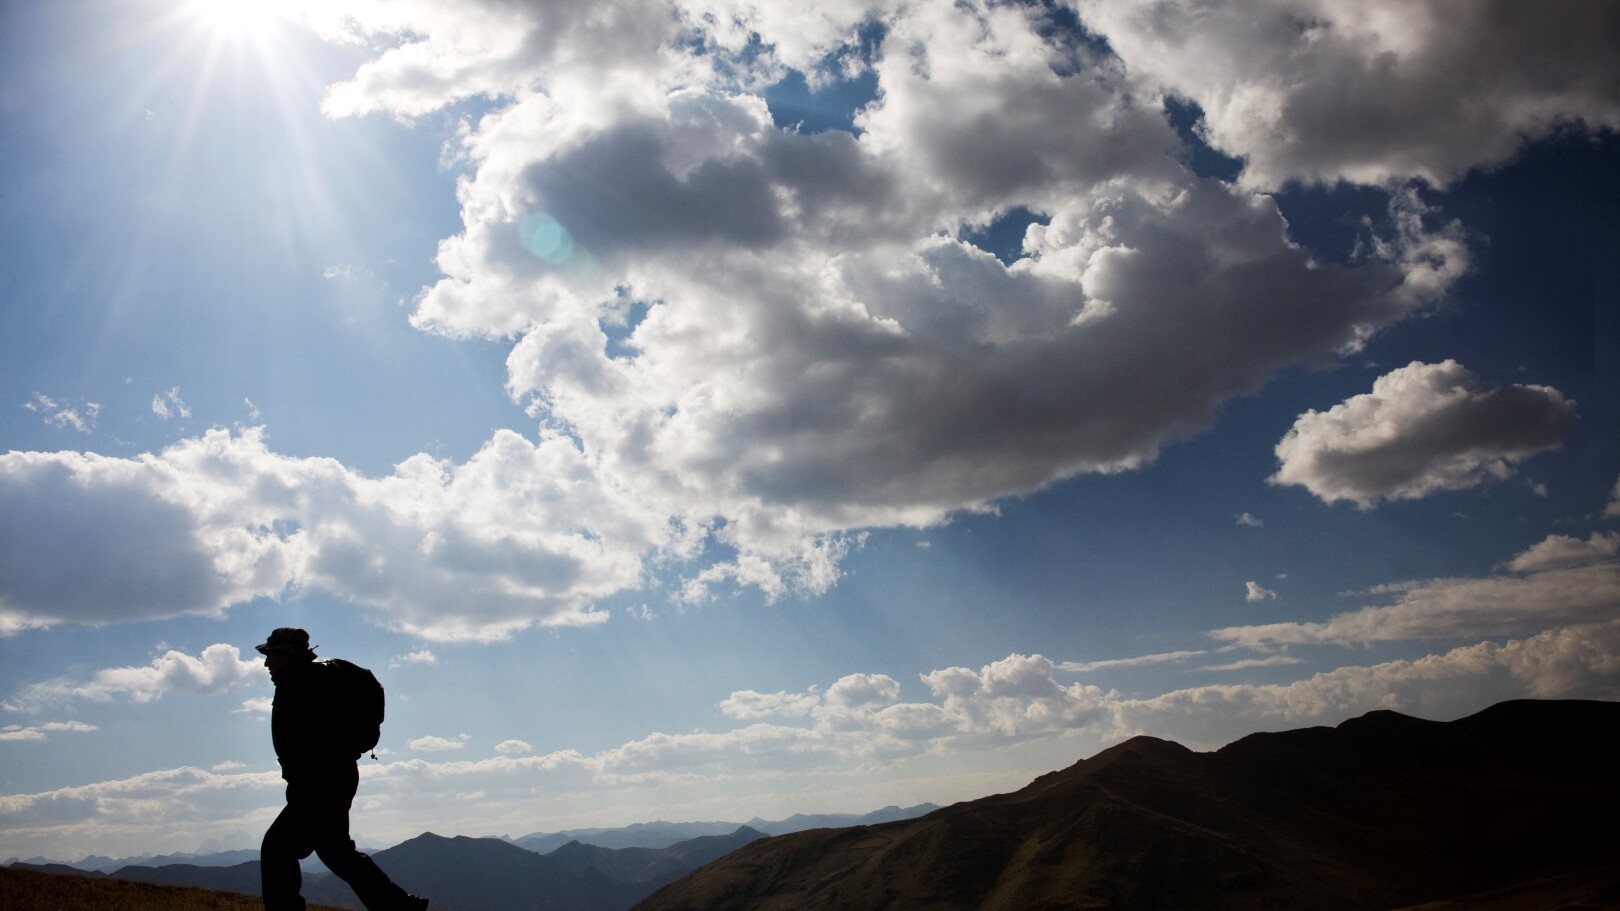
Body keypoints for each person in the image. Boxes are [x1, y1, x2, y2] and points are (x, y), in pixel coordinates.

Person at [257, 627, 429, 911]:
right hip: (334, 777)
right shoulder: (318, 677)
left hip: (318, 783)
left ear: (285, 655)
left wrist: (305, 779)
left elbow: (304, 739)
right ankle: (401, 907)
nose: (266, 663)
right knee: (336, 853)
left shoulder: (298, 681)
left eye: (270, 655)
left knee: (277, 848)